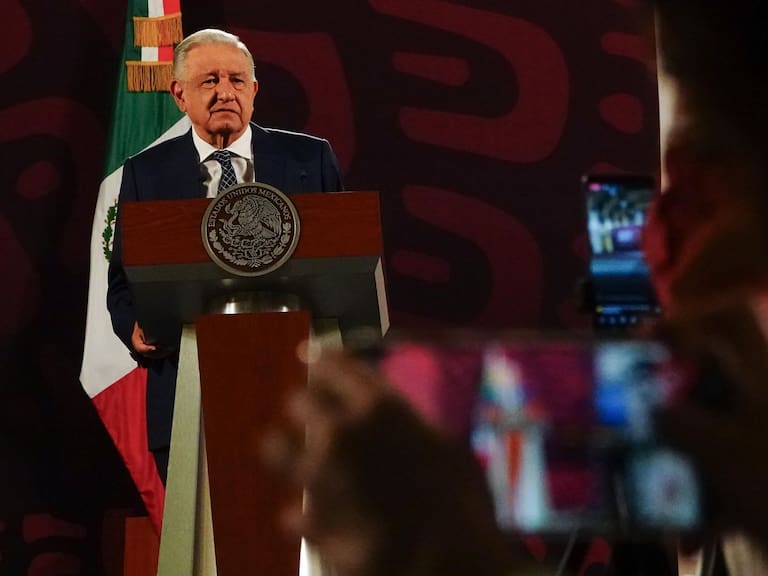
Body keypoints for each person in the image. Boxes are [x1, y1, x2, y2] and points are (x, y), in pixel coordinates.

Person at [107, 28, 344, 483]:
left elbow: (343, 261)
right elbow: (122, 282)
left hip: (296, 391)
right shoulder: (146, 174)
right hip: (185, 394)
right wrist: (132, 329)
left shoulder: (310, 159)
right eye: (209, 81)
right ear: (179, 94)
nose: (224, 93)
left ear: (253, 90)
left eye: (236, 80)